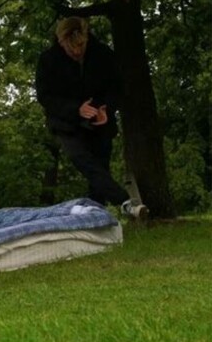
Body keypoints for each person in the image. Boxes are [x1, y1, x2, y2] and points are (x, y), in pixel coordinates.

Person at [35, 16, 147, 218]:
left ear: (86, 38)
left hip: (100, 121)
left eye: (81, 46)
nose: (77, 52)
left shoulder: (103, 54)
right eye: (71, 49)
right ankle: (125, 201)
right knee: (82, 159)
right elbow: (45, 96)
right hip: (66, 122)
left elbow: (117, 87)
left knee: (100, 168)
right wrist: (76, 109)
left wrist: (106, 108)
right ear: (61, 42)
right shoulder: (48, 61)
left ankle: (99, 219)